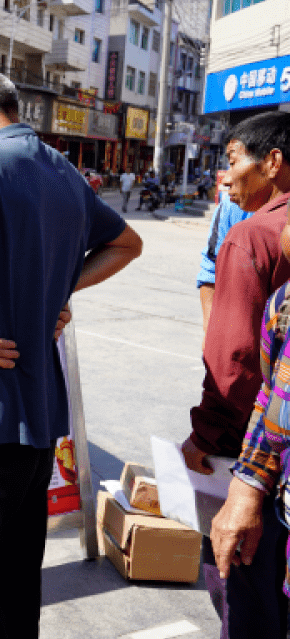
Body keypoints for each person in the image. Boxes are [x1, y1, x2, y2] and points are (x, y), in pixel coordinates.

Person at [0, 69, 142, 639]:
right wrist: (57, 287)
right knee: (16, 587)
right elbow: (126, 243)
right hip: (36, 422)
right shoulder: (62, 171)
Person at [181, 112, 290, 639]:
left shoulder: (251, 237)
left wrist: (206, 437)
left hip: (253, 458)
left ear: (271, 163)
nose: (225, 178)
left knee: (242, 590)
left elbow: (237, 365)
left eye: (232, 161)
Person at [195, 191, 251, 339]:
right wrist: (210, 334)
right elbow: (211, 272)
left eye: (233, 165)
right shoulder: (231, 207)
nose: (226, 179)